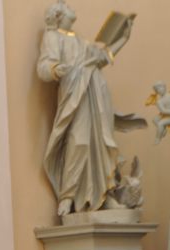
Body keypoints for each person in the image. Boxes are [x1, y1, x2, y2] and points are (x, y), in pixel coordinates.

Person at [36, 0, 137, 215]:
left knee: (100, 142)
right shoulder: (53, 36)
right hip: (76, 93)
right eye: (67, 7)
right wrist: (55, 69)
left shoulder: (81, 41)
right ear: (59, 16)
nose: (72, 8)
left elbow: (103, 57)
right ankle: (68, 196)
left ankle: (105, 196)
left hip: (97, 93)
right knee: (79, 140)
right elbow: (43, 66)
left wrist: (124, 38)